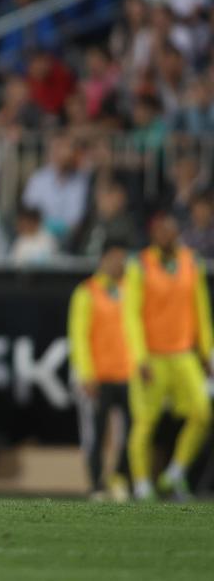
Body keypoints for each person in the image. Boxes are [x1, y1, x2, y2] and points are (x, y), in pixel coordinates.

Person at [122, 213, 213, 501]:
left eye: (170, 229)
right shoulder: (140, 265)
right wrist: (140, 358)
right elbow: (131, 315)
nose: (166, 234)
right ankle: (141, 484)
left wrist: (207, 352)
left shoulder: (191, 262)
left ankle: (175, 472)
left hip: (183, 353)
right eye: (161, 230)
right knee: (145, 422)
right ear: (153, 234)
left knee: (202, 413)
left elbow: (201, 310)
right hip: (153, 356)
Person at [68, 238, 132, 501]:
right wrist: (86, 373)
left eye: (122, 259)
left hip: (127, 374)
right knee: (94, 432)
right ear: (103, 259)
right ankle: (96, 485)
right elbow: (79, 335)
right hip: (98, 374)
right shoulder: (87, 292)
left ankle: (118, 479)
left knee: (128, 433)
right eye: (115, 258)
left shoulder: (131, 289)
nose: (119, 264)